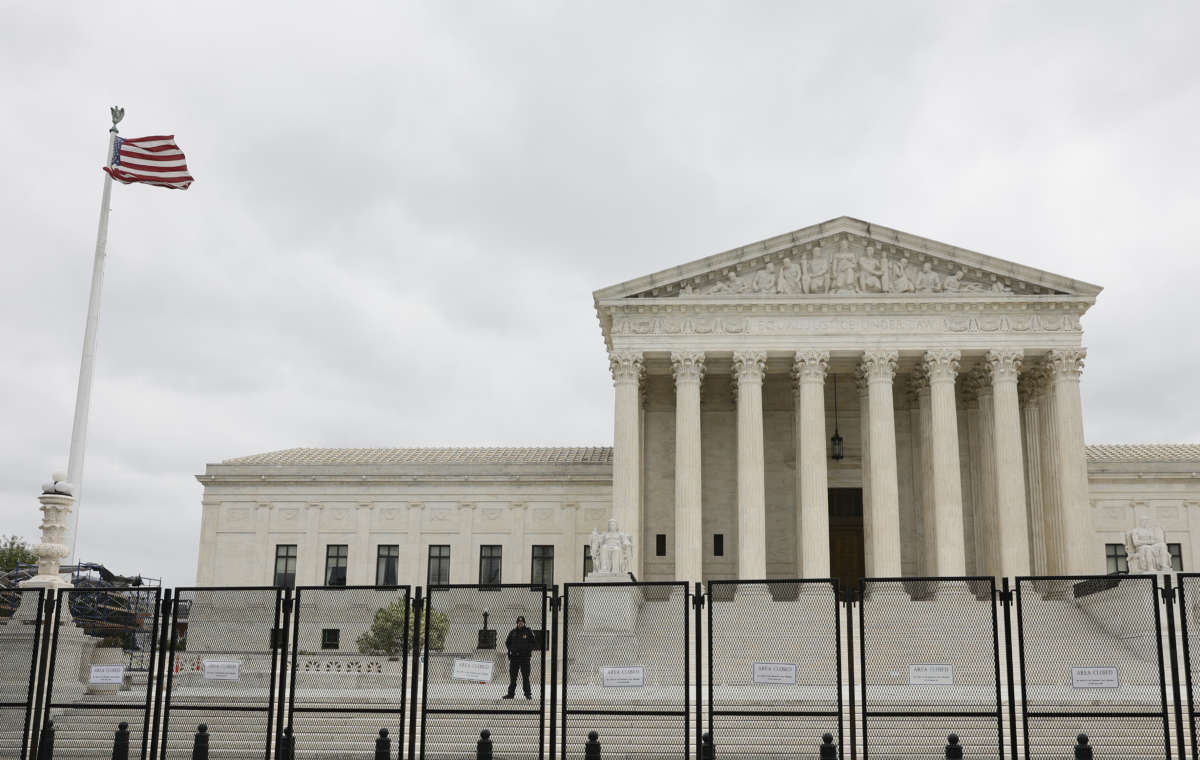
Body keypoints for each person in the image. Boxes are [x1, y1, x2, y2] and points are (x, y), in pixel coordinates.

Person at [502, 615, 536, 699]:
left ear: (524, 623)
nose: (520, 623)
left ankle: (528, 694)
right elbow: (507, 642)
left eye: (522, 622)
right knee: (513, 677)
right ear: (517, 623)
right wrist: (512, 649)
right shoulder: (513, 632)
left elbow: (533, 643)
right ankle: (511, 694)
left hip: (525, 658)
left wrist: (528, 650)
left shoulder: (528, 632)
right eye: (519, 622)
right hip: (514, 658)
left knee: (525, 677)